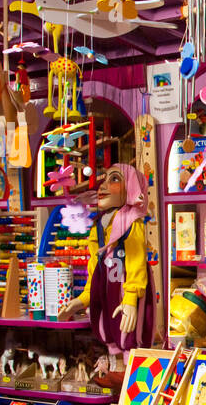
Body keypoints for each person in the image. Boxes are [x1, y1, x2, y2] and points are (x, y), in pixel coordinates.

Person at [59, 164, 155, 385]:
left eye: (114, 179)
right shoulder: (99, 226)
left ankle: (134, 383)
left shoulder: (131, 223)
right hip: (108, 288)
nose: (102, 186)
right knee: (110, 331)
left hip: (127, 288)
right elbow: (95, 268)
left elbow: (135, 262)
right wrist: (82, 300)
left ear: (130, 188)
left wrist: (131, 298)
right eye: (103, 179)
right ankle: (117, 372)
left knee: (131, 334)